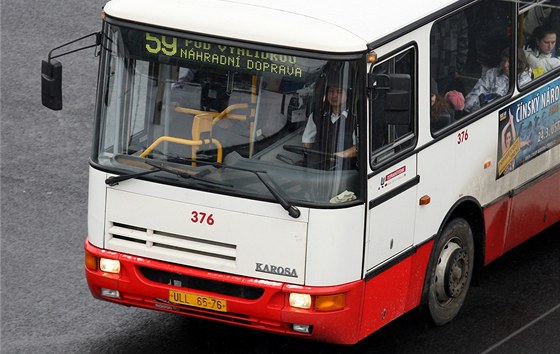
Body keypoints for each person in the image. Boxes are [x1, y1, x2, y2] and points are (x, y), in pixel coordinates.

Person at [302, 69, 356, 169]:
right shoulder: (316, 115)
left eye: (339, 92)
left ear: (347, 95)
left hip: (345, 169)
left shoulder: (355, 118)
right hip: (319, 168)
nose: (334, 96)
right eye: (331, 91)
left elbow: (358, 148)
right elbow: (307, 142)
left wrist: (342, 155)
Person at [463, 48, 510, 113]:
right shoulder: (492, 73)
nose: (505, 65)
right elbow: (478, 90)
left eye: (509, 62)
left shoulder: (523, 80)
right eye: (503, 61)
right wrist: (472, 106)